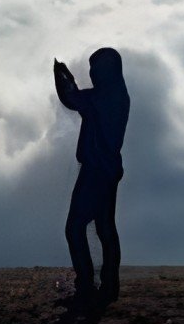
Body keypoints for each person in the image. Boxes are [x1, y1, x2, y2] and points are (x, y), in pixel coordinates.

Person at [55, 48, 130, 304]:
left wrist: (61, 78)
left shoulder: (104, 98)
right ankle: (108, 286)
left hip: (96, 171)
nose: (93, 73)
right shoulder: (117, 95)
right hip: (108, 170)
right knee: (105, 228)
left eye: (96, 69)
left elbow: (72, 99)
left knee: (76, 227)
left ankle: (87, 285)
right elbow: (77, 99)